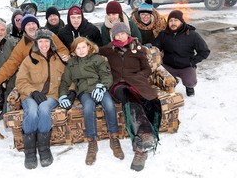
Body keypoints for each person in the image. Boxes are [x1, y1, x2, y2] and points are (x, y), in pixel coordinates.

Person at [99, 22, 162, 172]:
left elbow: (147, 68)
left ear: (128, 33)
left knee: (148, 101)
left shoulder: (138, 48)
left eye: (123, 33)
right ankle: (145, 134)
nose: (120, 36)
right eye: (117, 34)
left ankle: (141, 150)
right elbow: (89, 51)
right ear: (113, 36)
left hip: (137, 83)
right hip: (118, 85)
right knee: (128, 95)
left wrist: (139, 76)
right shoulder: (108, 49)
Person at [58, 37, 124, 165]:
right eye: (78, 48)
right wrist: (62, 95)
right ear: (74, 51)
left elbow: (106, 75)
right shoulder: (71, 63)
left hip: (99, 88)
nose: (81, 50)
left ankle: (114, 137)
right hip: (84, 91)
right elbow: (65, 82)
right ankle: (92, 141)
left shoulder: (97, 59)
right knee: (88, 108)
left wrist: (102, 87)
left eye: (84, 47)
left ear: (89, 47)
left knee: (109, 105)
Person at [16, 28, 65, 169]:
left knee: (43, 109)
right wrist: (32, 92)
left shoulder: (58, 59)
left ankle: (44, 149)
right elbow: (20, 81)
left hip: (51, 95)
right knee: (31, 111)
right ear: (36, 42)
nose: (44, 44)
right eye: (41, 41)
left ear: (51, 42)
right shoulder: (29, 59)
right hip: (31, 95)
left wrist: (69, 92)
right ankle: (30, 151)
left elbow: (68, 79)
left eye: (47, 41)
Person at [0, 14, 69, 88]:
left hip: (54, 76)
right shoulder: (21, 46)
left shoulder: (50, 35)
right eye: (28, 25)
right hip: (35, 80)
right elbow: (10, 64)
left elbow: (62, 49)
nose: (31, 27)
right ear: (24, 28)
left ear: (37, 25)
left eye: (33, 23)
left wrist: (63, 56)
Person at [153, 9, 210, 96]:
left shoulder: (192, 35)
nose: (173, 23)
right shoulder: (164, 34)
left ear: (182, 22)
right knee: (161, 78)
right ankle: (172, 81)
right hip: (169, 66)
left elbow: (205, 51)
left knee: (190, 82)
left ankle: (189, 87)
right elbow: (155, 46)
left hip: (186, 66)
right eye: (171, 21)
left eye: (176, 20)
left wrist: (192, 62)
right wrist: (150, 47)